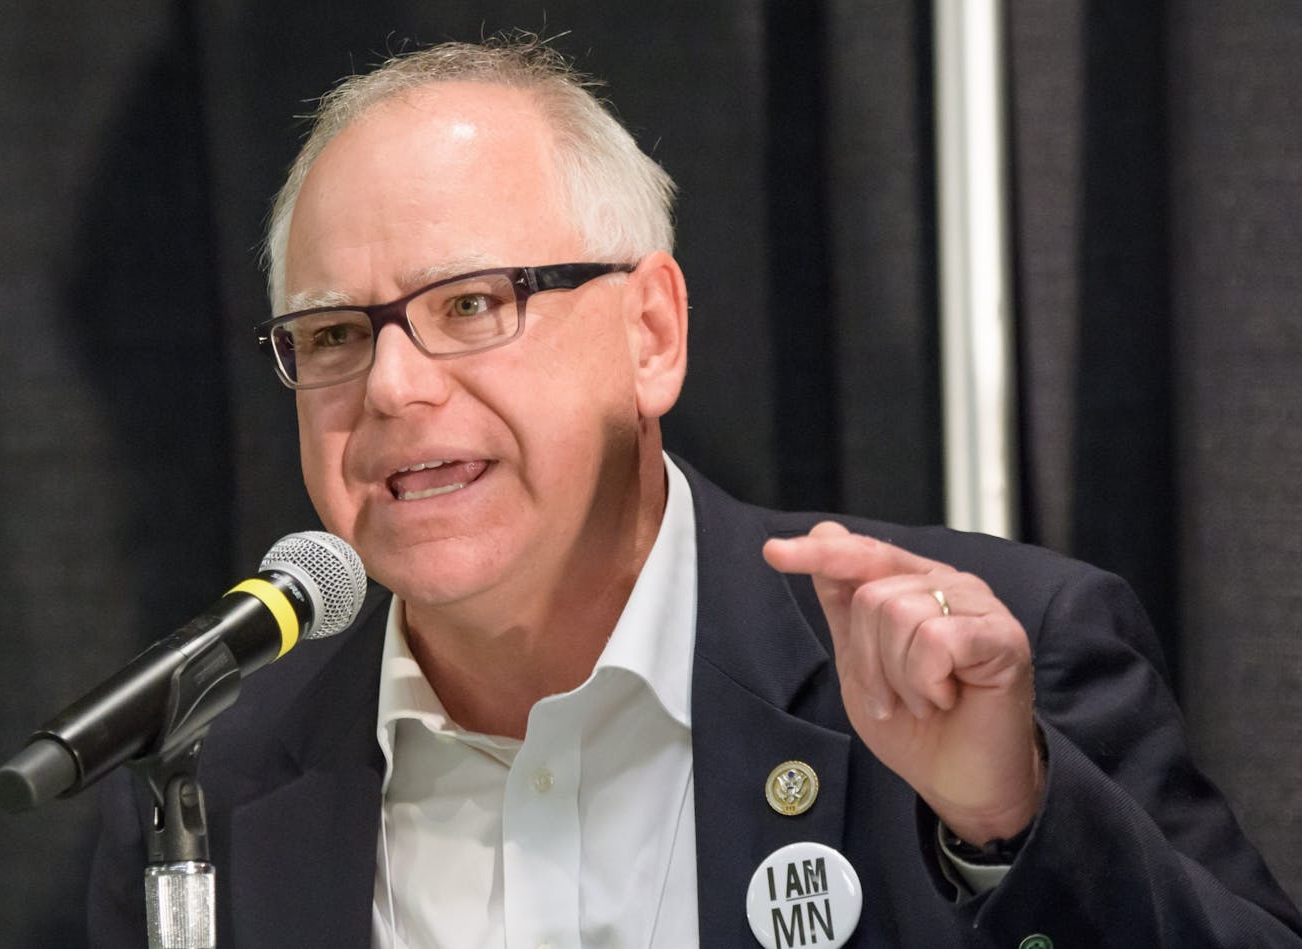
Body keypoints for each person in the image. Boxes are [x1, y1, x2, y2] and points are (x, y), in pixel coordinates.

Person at [89, 37, 1302, 948]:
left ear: (652, 334)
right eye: (337, 332)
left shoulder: (987, 661)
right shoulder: (211, 785)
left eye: (469, 305)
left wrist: (1008, 826)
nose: (394, 385)